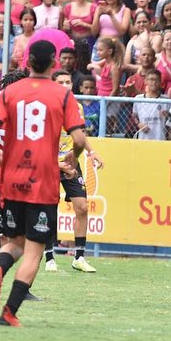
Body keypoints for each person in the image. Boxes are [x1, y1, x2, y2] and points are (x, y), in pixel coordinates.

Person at [0, 40, 86, 327]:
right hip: (43, 180)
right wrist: (72, 159)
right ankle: (9, 312)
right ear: (54, 63)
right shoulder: (62, 95)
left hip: (13, 177)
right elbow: (78, 139)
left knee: (13, 243)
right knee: (34, 250)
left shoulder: (11, 92)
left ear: (28, 64)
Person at [41, 69, 104, 273]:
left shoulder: (76, 107)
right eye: (61, 82)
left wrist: (92, 152)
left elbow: (80, 134)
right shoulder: (44, 108)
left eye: (68, 82)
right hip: (49, 164)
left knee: (82, 207)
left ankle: (79, 257)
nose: (66, 85)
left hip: (71, 164)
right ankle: (49, 257)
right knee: (49, 210)